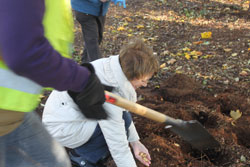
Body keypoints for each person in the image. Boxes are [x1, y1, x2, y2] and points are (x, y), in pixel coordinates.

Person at [0, 0, 108, 166]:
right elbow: (24, 52)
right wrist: (80, 80)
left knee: (54, 162)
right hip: (5, 112)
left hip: (14, 113)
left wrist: (71, 80)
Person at [42, 38, 159, 167]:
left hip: (68, 114)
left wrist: (136, 142)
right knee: (112, 128)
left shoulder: (113, 68)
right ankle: (82, 158)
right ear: (134, 75)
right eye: (144, 80)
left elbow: (123, 112)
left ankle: (88, 150)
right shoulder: (107, 94)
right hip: (63, 127)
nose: (145, 84)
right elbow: (118, 145)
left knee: (122, 118)